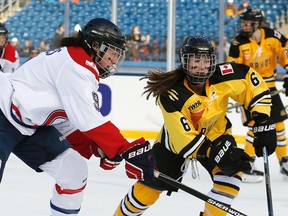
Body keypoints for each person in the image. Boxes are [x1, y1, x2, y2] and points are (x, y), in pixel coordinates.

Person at [0, 17, 155, 215]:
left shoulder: (78, 64)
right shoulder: (76, 64)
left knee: (73, 171)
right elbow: (89, 119)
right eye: (112, 53)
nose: (115, 60)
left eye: (118, 55)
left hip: (29, 125)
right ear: (96, 46)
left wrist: (93, 146)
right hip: (3, 113)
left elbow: (67, 120)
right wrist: (126, 149)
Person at [113, 35, 277, 216]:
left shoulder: (222, 76)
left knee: (230, 179)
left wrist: (262, 120)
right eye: (195, 61)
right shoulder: (171, 94)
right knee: (148, 191)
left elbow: (250, 80)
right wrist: (214, 152)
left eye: (205, 61)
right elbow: (184, 140)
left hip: (217, 134)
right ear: (185, 62)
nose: (201, 66)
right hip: (174, 145)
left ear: (212, 62)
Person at [227, 7, 288, 183]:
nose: (244, 26)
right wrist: (237, 92)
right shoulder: (238, 43)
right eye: (243, 22)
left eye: (247, 23)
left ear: (257, 23)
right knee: (256, 126)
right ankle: (247, 164)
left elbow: (285, 51)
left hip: (270, 86)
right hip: (250, 90)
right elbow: (233, 69)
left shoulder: (272, 36)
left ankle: (284, 162)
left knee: (278, 125)